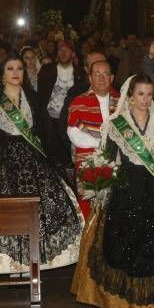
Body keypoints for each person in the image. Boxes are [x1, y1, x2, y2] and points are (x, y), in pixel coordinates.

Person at [72, 74, 154, 308]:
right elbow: (107, 158)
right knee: (127, 243)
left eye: (150, 94)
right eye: (140, 94)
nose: (145, 99)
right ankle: (128, 299)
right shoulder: (116, 123)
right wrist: (97, 178)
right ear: (130, 97)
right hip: (127, 188)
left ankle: (150, 300)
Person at [0, 54, 83, 274]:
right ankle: (13, 263)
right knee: (8, 213)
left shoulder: (33, 99)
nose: (16, 73)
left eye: (20, 69)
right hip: (3, 163)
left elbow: (46, 134)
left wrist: (59, 161)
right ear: (2, 75)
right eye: (11, 69)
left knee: (40, 208)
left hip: (34, 159)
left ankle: (35, 260)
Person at [66, 60, 120, 220]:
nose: (101, 78)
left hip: (117, 163)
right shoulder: (78, 102)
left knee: (115, 210)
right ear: (90, 78)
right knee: (90, 212)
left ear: (112, 77)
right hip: (88, 163)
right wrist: (103, 145)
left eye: (105, 74)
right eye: (97, 74)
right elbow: (74, 134)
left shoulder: (123, 102)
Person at [38, 40, 89, 163]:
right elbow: (41, 95)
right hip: (49, 120)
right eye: (60, 50)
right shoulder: (47, 70)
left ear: (73, 53)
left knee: (67, 156)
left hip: (69, 121)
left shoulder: (80, 73)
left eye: (67, 50)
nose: (63, 52)